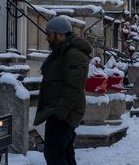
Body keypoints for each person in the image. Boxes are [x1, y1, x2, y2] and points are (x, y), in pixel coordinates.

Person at [34, 16, 91, 165]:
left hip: (63, 114)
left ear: (60, 34)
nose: (47, 38)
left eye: (49, 34)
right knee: (64, 154)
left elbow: (74, 88)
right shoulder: (62, 51)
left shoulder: (73, 55)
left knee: (54, 155)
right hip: (60, 112)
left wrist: (60, 113)